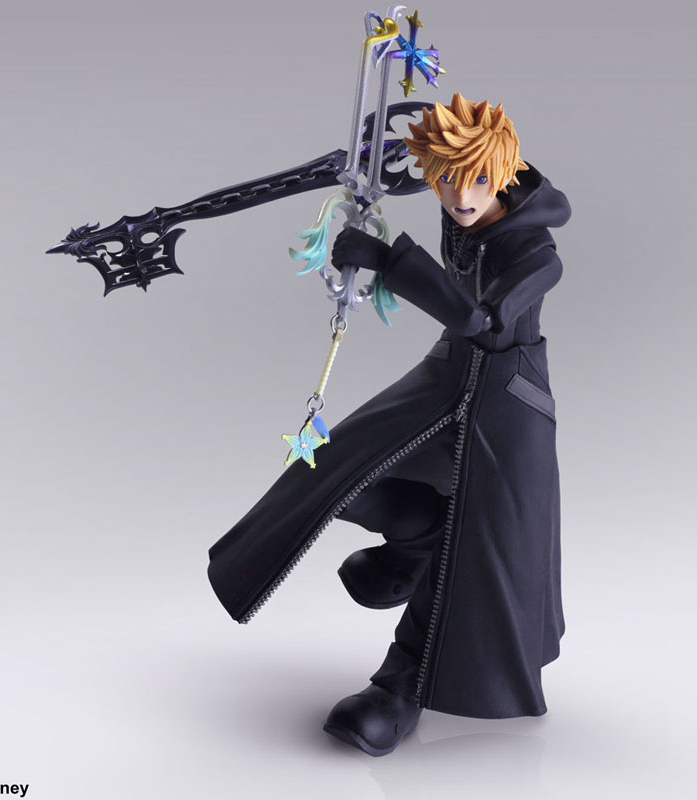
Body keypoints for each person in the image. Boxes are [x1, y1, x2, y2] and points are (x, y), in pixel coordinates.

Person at [207, 93, 571, 756]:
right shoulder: (459, 209)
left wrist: (390, 261)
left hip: (508, 398)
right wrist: (357, 179)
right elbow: (404, 165)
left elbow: (487, 323)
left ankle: (398, 689)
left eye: (477, 181)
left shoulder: (537, 255)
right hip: (445, 374)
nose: (460, 198)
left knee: (478, 549)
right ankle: (417, 544)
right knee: (338, 473)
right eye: (446, 181)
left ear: (505, 174)